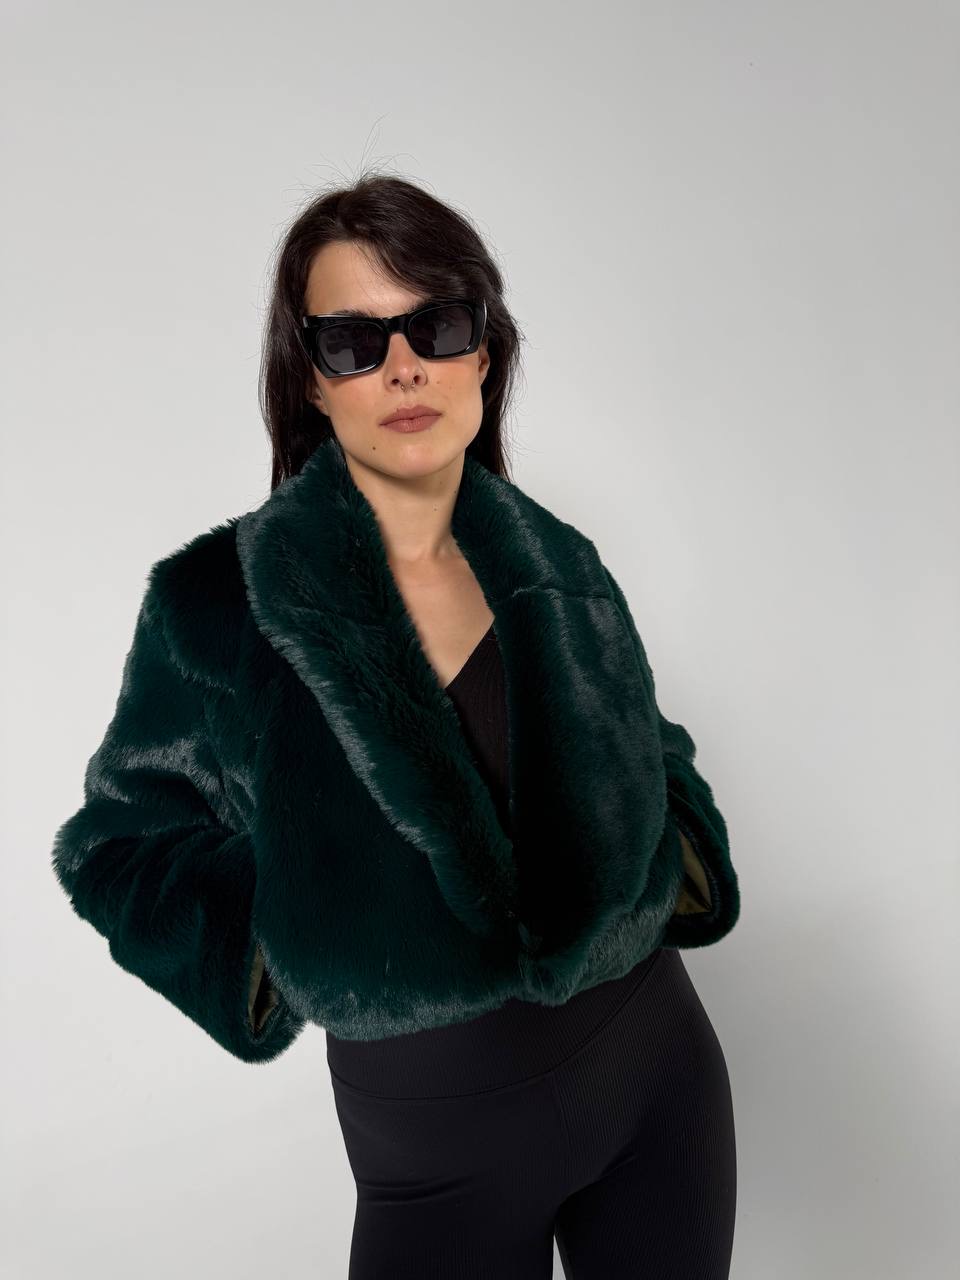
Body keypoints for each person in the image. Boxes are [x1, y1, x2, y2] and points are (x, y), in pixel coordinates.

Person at [52, 174, 740, 1278]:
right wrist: (291, 933)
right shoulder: (218, 603)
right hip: (435, 1145)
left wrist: (678, 852)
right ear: (311, 379)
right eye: (354, 341)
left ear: (484, 353)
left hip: (656, 1076)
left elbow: (643, 741)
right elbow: (116, 844)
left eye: (438, 325)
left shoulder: (553, 557)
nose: (404, 366)